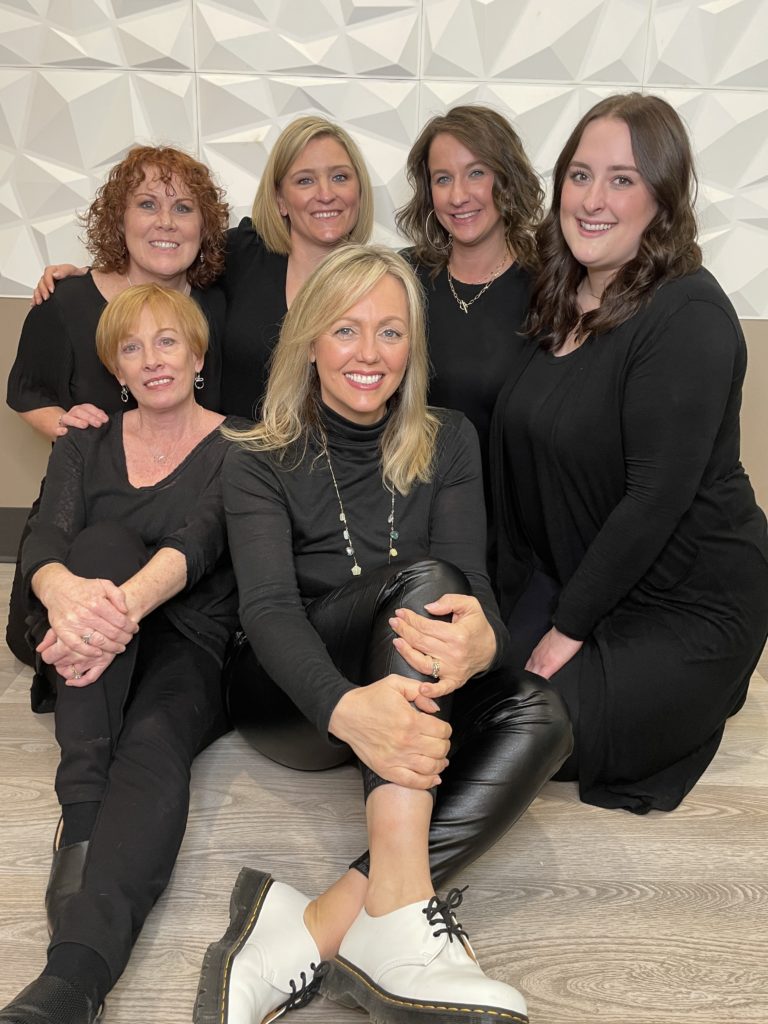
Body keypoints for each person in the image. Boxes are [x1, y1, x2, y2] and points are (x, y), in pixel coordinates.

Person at [196, 244, 572, 1024]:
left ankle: (318, 928)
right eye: (346, 330)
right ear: (307, 340)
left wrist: (487, 646)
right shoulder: (255, 453)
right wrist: (345, 709)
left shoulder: (451, 439)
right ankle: (401, 923)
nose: (370, 354)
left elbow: (476, 601)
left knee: (544, 712)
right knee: (423, 582)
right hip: (290, 698)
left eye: (391, 333)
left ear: (414, 346)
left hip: (402, 691)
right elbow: (266, 612)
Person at [490, 92, 768, 814]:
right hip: (580, 576)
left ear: (663, 200)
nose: (592, 199)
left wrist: (565, 630)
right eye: (580, 175)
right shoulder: (560, 296)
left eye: (622, 179)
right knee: (454, 699)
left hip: (688, 602)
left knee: (513, 733)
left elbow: (654, 498)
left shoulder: (689, 314)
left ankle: (369, 901)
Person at [0, 285, 239, 1024]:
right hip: (93, 636)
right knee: (94, 545)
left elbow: (200, 542)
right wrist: (66, 593)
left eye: (167, 342)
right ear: (117, 368)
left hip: (188, 637)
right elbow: (44, 534)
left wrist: (107, 614)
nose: (150, 360)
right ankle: (83, 812)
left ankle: (72, 981)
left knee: (156, 742)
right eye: (131, 349)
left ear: (197, 356)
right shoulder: (85, 439)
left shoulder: (240, 444)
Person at [6, 144, 229, 668]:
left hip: (184, 524)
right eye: (147, 204)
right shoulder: (66, 302)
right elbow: (27, 393)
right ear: (118, 219)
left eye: (183, 208)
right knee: (60, 631)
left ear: (204, 226)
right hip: (87, 517)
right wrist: (66, 429)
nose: (166, 223)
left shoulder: (217, 302)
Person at [30, 116, 374, 423]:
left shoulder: (381, 282)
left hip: (330, 467)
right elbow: (165, 252)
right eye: (304, 181)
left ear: (359, 189)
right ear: (280, 200)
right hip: (238, 467)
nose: (325, 194)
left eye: (340, 177)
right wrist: (89, 275)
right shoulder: (243, 254)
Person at [396, 105, 543, 487]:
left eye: (476, 173)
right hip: (412, 505)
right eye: (443, 178)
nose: (458, 195)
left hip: (511, 516)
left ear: (506, 178)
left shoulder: (548, 285)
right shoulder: (403, 277)